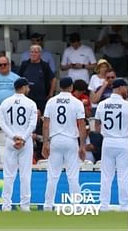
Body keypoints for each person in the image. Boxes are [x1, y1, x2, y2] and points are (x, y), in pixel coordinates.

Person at [42, 77, 87, 211]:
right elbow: (81, 125)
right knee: (73, 175)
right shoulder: (77, 102)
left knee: (53, 175)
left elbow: (45, 124)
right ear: (71, 87)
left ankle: (48, 205)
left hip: (55, 139)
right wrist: (82, 145)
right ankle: (76, 206)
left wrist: (45, 142)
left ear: (59, 87)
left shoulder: (51, 101)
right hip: (70, 140)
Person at [0, 78, 37, 211]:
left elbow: (2, 123)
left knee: (8, 174)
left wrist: (13, 137)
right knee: (25, 174)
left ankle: (6, 205)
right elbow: (32, 124)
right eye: (28, 87)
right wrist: (23, 138)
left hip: (11, 141)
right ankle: (25, 205)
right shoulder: (31, 103)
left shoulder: (5, 103)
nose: (29, 89)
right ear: (24, 87)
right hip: (25, 141)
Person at [95, 78, 128, 211]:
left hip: (107, 141)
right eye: (126, 87)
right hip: (123, 141)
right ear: (120, 88)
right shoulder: (127, 105)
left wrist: (105, 132)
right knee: (123, 175)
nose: (127, 90)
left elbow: (96, 125)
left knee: (106, 175)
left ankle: (103, 205)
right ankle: (125, 206)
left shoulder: (102, 104)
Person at [18, 44, 56, 113]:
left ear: (40, 54)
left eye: (36, 52)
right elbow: (19, 78)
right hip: (26, 97)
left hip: (41, 98)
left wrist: (50, 94)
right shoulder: (24, 64)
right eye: (32, 52)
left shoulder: (44, 65)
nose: (33, 54)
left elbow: (53, 79)